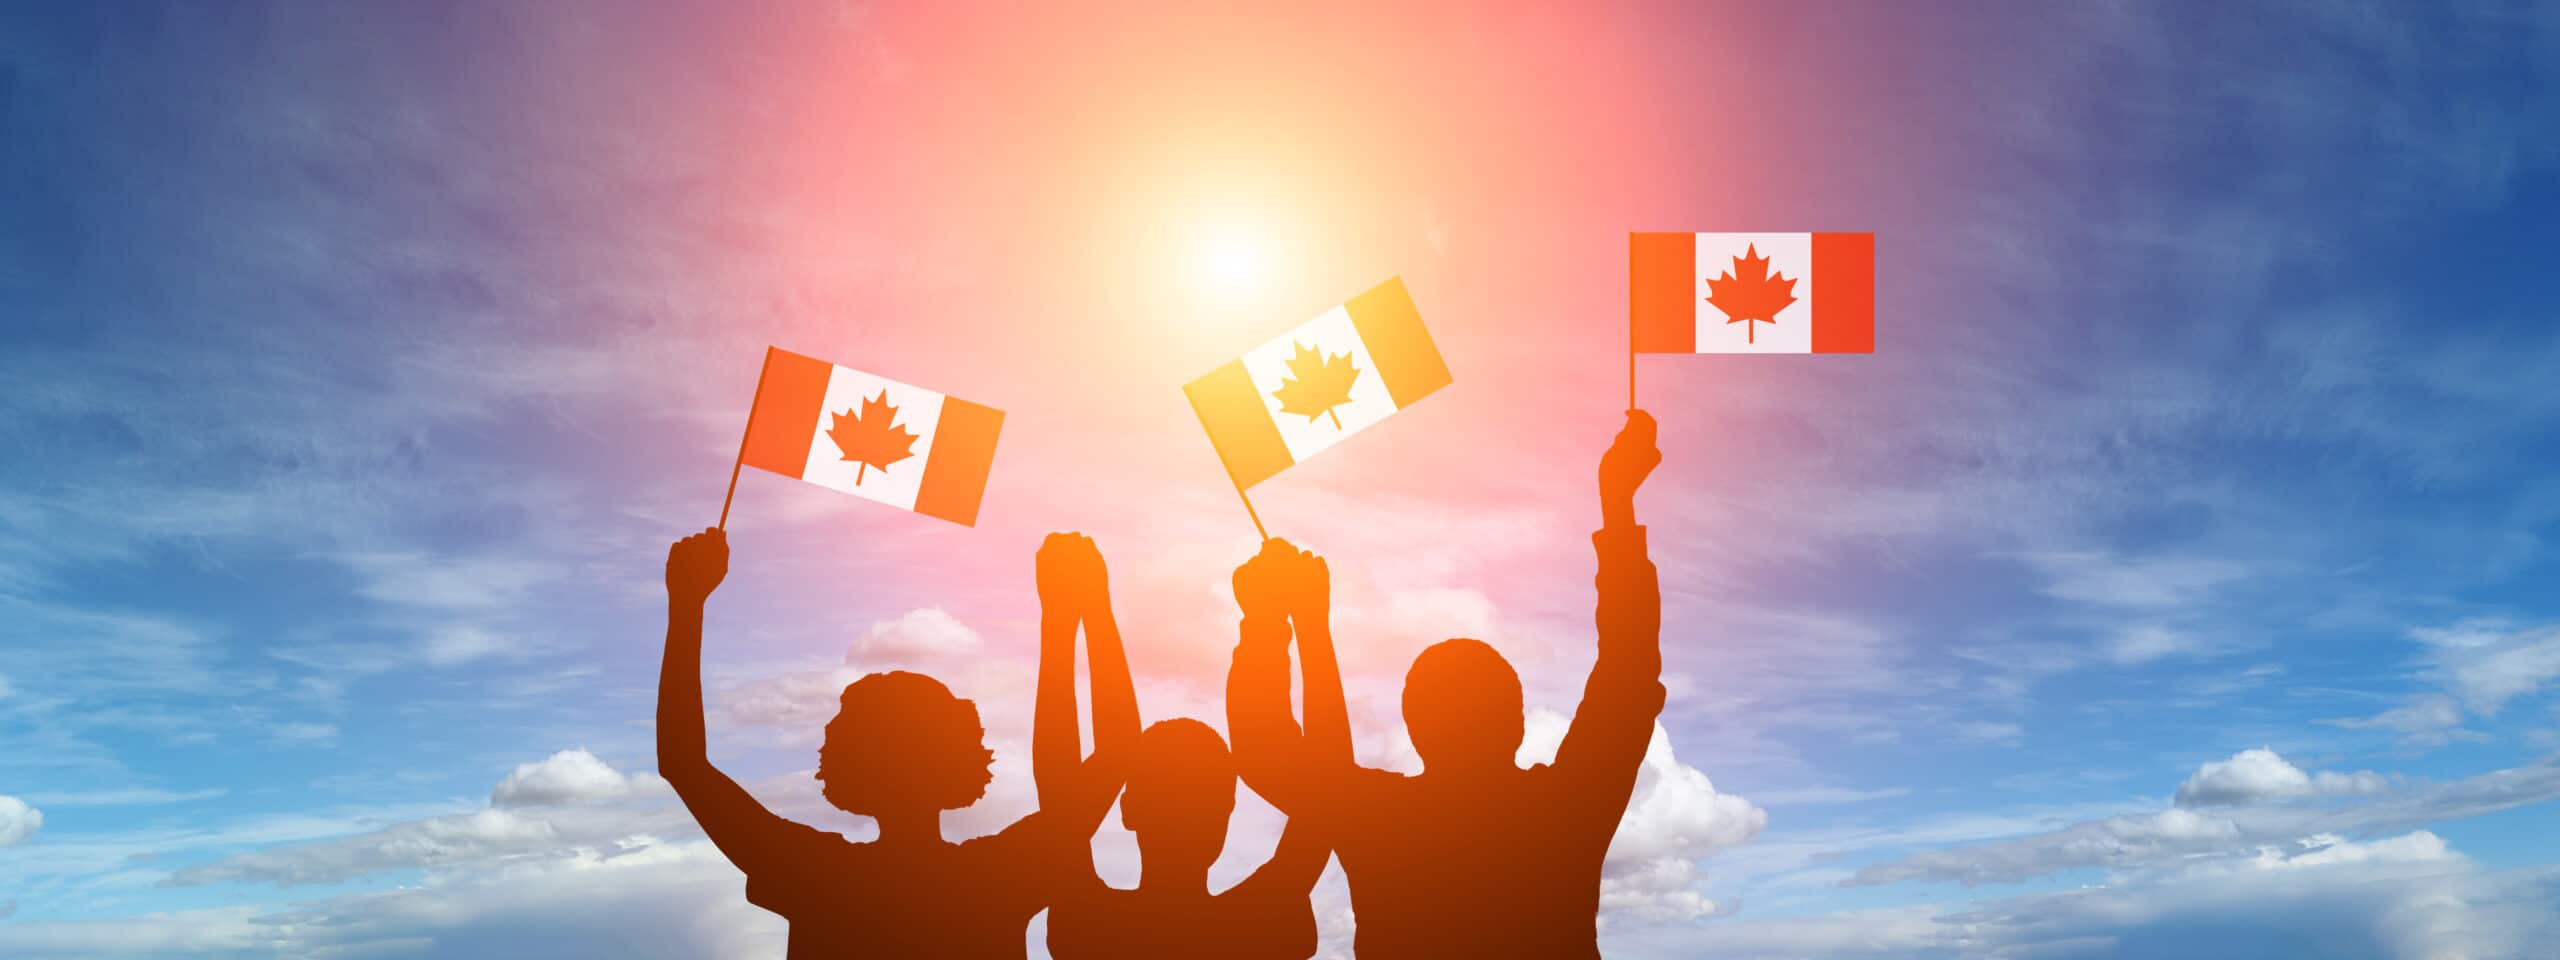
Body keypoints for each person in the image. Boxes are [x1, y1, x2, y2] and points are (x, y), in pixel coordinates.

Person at [1228, 410, 1665, 959]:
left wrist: (1271, 621)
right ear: (1518, 723)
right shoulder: (1567, 808)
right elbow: (1628, 667)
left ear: (1414, 728)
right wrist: (1617, 502)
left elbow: (1264, 747)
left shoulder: (1376, 817)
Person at [657, 528, 1117, 959]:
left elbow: (683, 762)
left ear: (847, 760)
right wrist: (1074, 614)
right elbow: (1116, 754)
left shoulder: (815, 874)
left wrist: (687, 603)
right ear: (959, 756)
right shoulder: (1000, 875)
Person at [1032, 532, 1329, 960]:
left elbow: (1061, 795)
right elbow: (1327, 782)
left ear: (1127, 808)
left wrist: (1071, 617)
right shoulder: (1263, 920)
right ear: (1228, 813)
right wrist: (1288, 620)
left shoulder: (1092, 923)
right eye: (1208, 799)